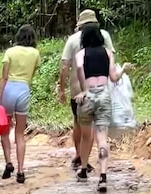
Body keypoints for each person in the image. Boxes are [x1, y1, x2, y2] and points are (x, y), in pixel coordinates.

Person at [74, 26, 132, 193]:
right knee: (102, 138)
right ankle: (103, 176)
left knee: (86, 137)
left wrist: (84, 90)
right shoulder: (108, 53)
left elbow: (79, 71)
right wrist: (123, 69)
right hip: (104, 96)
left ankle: (84, 170)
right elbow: (114, 77)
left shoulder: (81, 54)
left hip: (88, 96)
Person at [58, 10, 115, 172]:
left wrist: (61, 90)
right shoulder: (104, 36)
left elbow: (64, 67)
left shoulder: (72, 40)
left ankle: (80, 157)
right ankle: (89, 162)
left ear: (81, 25)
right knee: (96, 128)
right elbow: (111, 61)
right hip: (100, 89)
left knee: (78, 123)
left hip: (78, 89)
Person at [0, 24, 40, 184]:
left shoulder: (10, 52)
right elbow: (32, 73)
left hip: (8, 90)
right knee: (20, 134)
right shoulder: (35, 53)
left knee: (4, 130)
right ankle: (21, 171)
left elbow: (4, 77)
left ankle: (8, 162)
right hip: (23, 90)